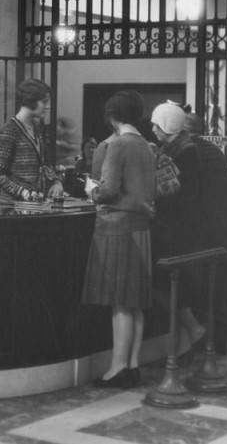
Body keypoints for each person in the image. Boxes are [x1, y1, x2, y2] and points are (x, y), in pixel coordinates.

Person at [82, 91, 155, 388]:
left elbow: (108, 190)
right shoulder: (147, 146)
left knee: (119, 302)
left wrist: (91, 190)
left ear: (112, 116)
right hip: (141, 227)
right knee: (134, 302)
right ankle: (133, 364)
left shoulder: (116, 145)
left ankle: (117, 368)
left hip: (116, 226)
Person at [182, 112, 227, 355]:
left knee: (213, 285)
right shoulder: (211, 150)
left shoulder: (193, 151)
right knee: (224, 286)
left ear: (183, 130)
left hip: (218, 228)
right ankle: (222, 342)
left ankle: (214, 343)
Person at [150, 101, 209, 358]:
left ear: (166, 125)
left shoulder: (182, 152)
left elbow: (177, 192)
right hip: (179, 226)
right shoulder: (181, 147)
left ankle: (192, 330)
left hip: (174, 228)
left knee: (168, 282)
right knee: (173, 282)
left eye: (156, 124)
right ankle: (186, 338)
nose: (152, 128)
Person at [0, 78, 63, 204]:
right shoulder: (9, 130)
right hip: (11, 207)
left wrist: (56, 182)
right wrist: (23, 192)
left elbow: (45, 164)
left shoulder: (38, 128)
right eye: (44, 102)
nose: (48, 106)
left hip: (35, 205)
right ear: (30, 101)